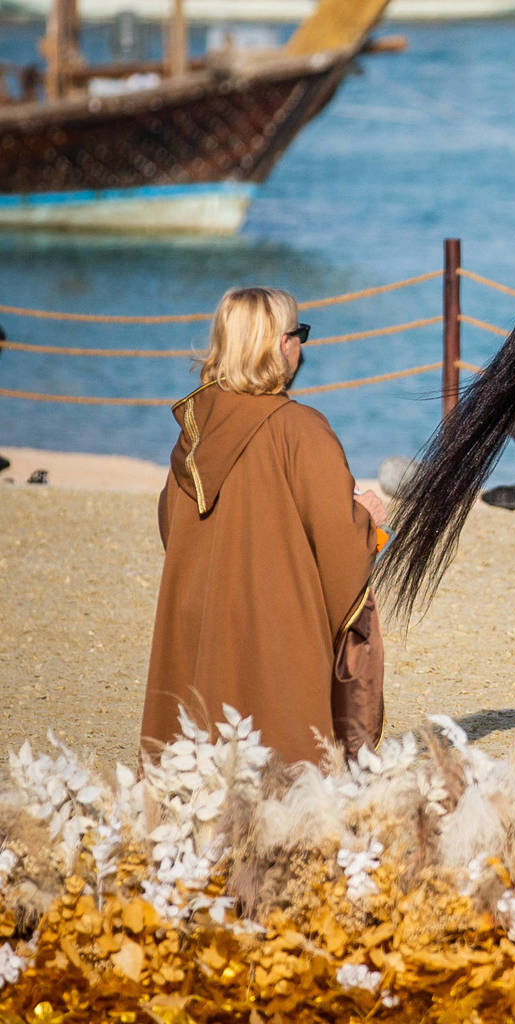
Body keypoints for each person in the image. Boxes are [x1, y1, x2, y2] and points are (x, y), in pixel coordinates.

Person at [140, 287, 386, 768]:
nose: (302, 346)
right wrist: (368, 521)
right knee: (280, 765)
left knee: (203, 761)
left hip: (200, 625)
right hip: (278, 630)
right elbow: (340, 551)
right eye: (299, 334)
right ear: (280, 345)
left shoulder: (194, 430)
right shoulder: (301, 430)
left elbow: (174, 528)